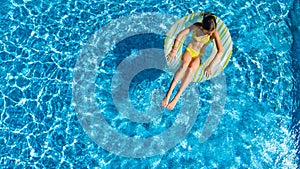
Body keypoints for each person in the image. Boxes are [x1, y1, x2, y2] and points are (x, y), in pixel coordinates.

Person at [161, 13, 223, 110]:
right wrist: (174, 50)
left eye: (211, 32)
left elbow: (220, 51)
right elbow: (180, 34)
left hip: (198, 56)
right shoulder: (197, 26)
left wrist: (210, 66)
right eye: (208, 32)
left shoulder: (214, 32)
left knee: (191, 69)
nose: (210, 34)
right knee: (184, 65)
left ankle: (177, 97)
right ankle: (168, 94)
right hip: (189, 51)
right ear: (202, 27)